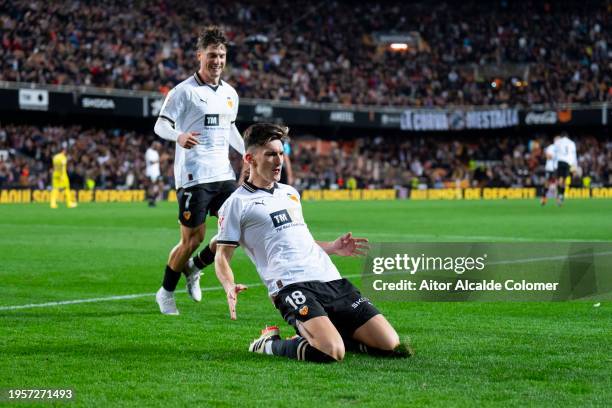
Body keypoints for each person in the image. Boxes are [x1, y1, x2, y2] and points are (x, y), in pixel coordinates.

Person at [214, 123, 411, 362]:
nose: (278, 161)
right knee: (331, 352)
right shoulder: (236, 204)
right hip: (291, 285)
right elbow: (222, 255)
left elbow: (299, 241)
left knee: (390, 345)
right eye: (270, 154)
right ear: (250, 158)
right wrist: (228, 284)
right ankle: (269, 344)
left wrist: (333, 247)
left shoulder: (290, 193)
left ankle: (332, 333)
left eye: (280, 153)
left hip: (330, 277)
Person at [153, 26, 245, 315]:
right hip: (194, 175)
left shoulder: (230, 93)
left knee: (237, 227)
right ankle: (166, 293)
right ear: (199, 56)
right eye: (211, 55)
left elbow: (230, 129)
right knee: (193, 239)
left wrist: (248, 153)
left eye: (221, 55)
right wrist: (178, 136)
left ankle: (193, 269)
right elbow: (161, 125)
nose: (217, 60)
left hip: (223, 174)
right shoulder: (183, 92)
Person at [554, 132, 577, 206]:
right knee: (564, 180)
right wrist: (574, 166)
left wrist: (554, 165)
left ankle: (558, 195)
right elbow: (573, 155)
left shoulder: (558, 142)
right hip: (567, 162)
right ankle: (561, 195)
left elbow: (555, 153)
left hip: (559, 162)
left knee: (559, 180)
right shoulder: (571, 143)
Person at [540, 139, 557, 206]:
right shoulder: (550, 147)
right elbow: (547, 156)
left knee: (557, 184)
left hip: (556, 168)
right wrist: (556, 156)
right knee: (547, 184)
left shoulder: (560, 148)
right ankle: (544, 198)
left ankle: (558, 200)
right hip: (549, 168)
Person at [145, 141, 162, 207]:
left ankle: (154, 198)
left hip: (157, 172)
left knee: (161, 185)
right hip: (150, 172)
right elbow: (151, 162)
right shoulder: (149, 151)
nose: (158, 147)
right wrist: (160, 160)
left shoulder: (156, 152)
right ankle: (151, 201)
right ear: (154, 145)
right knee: (151, 186)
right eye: (157, 146)